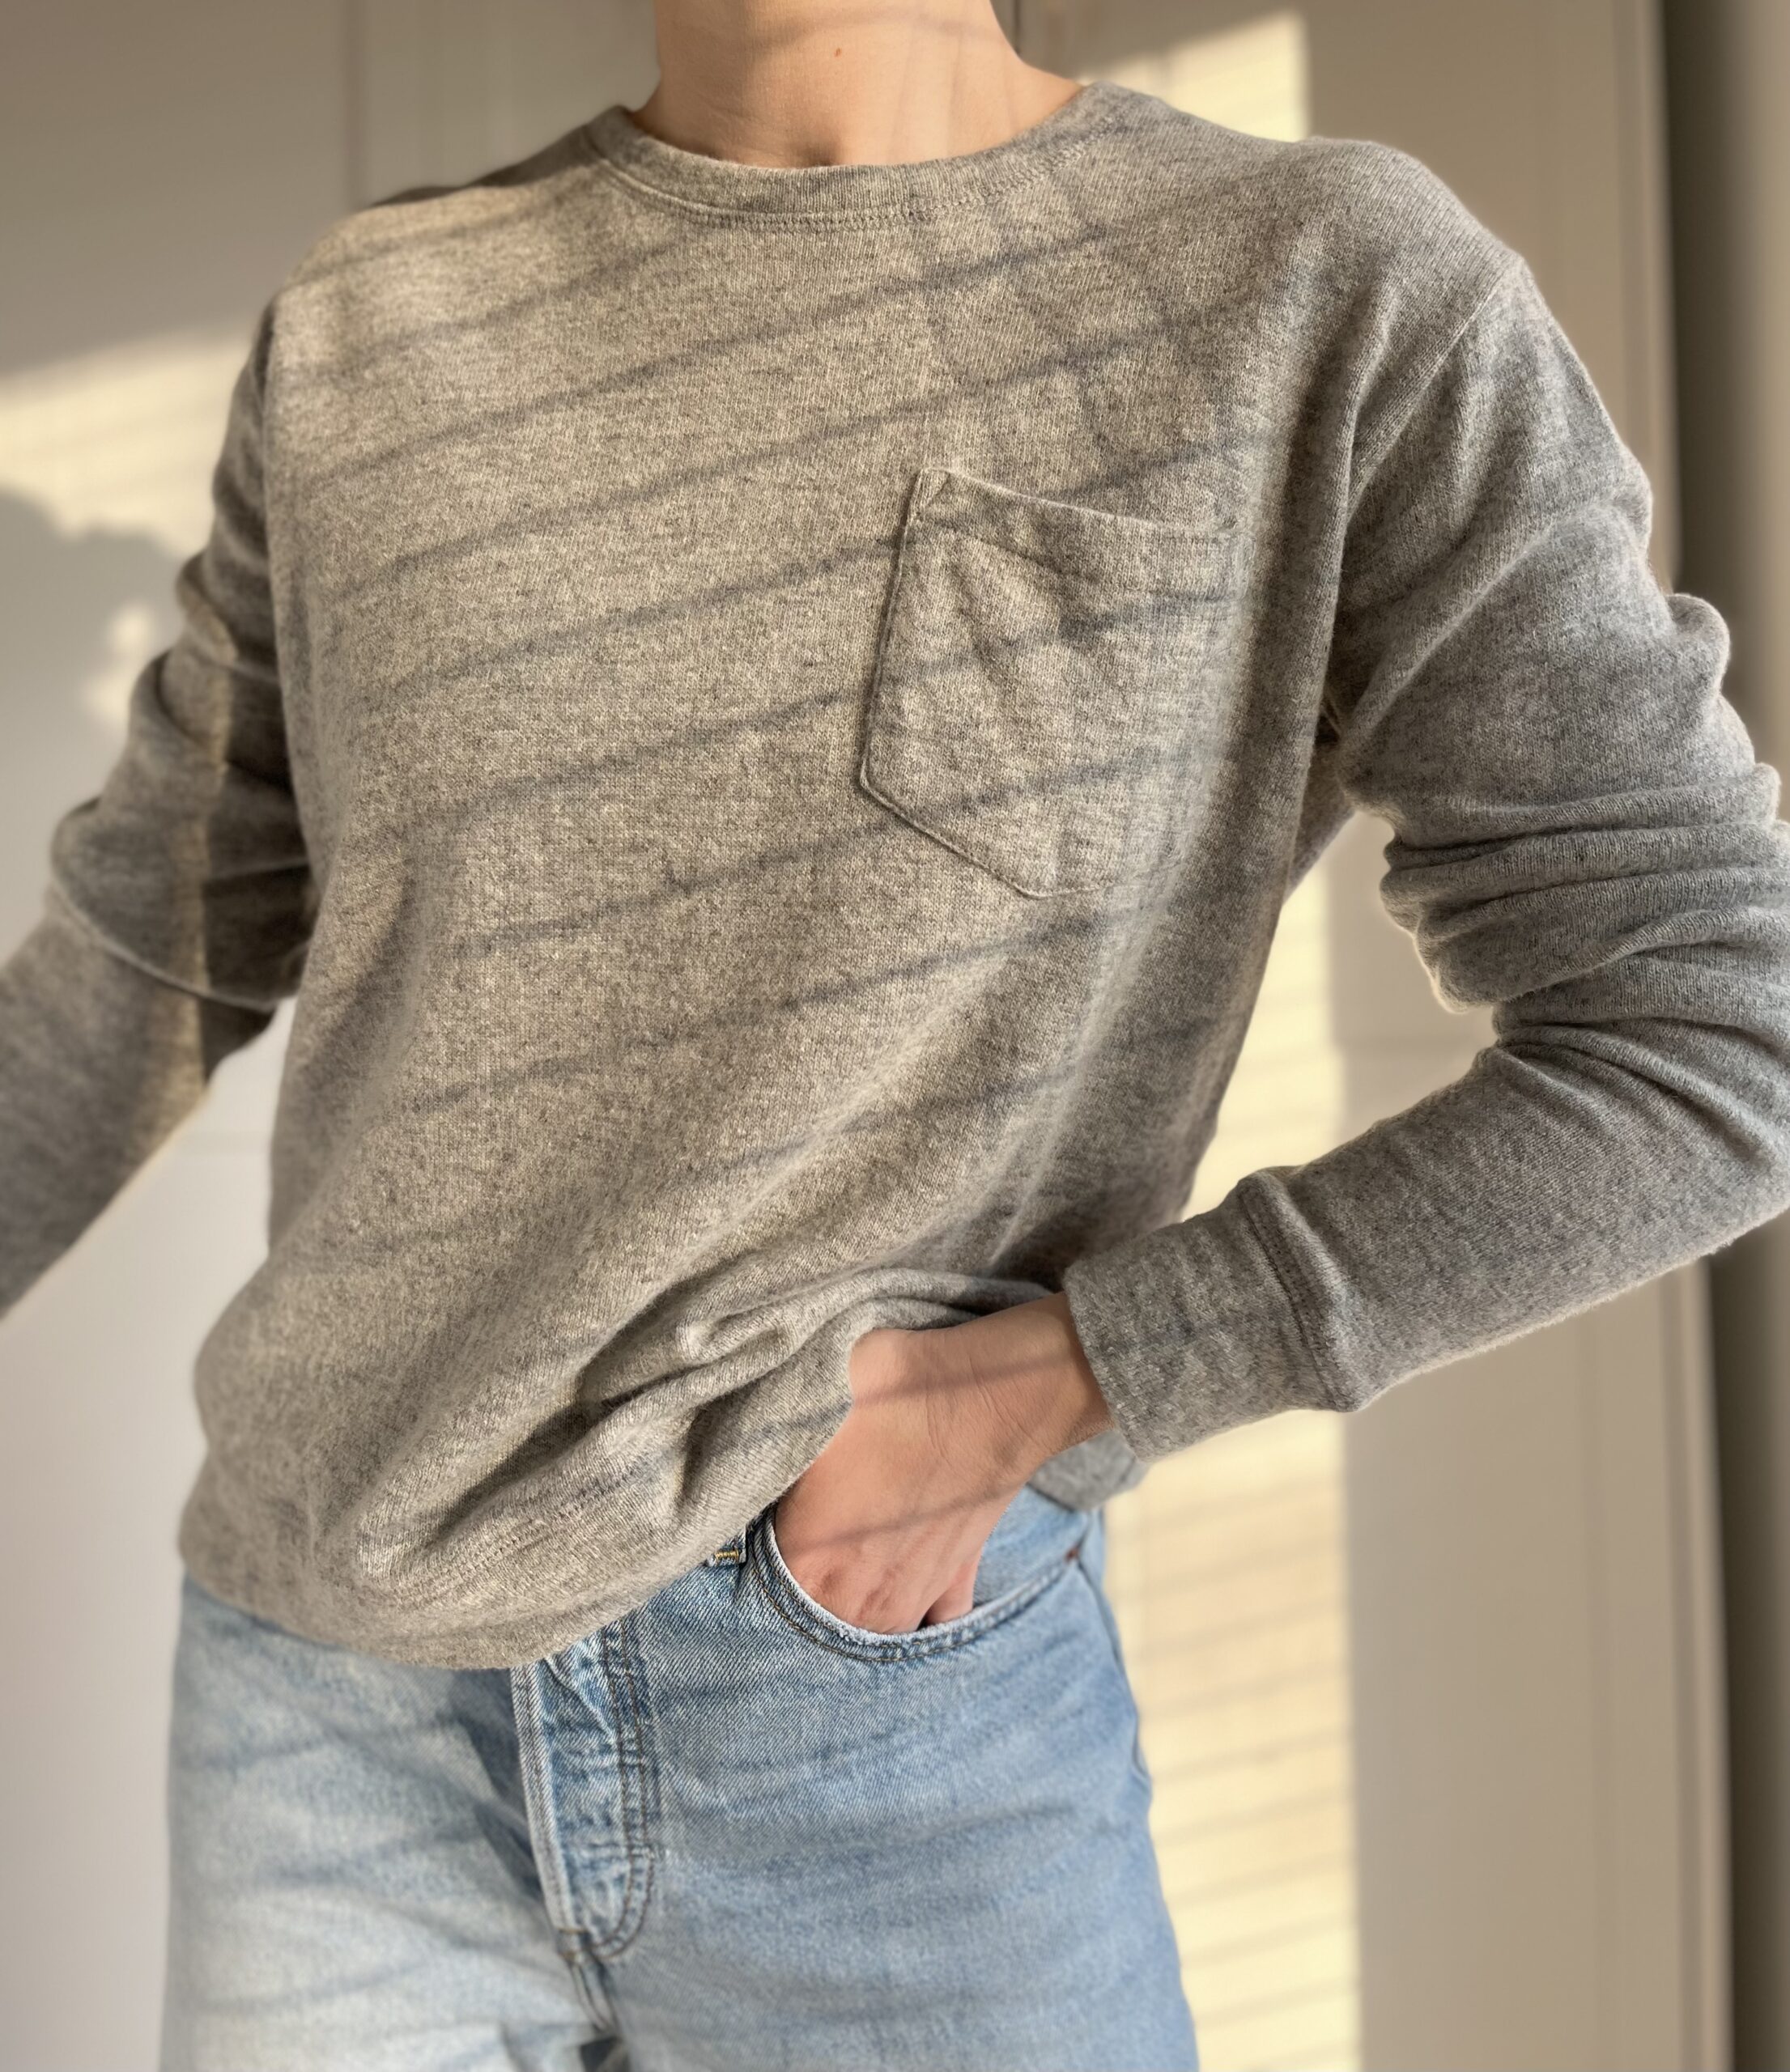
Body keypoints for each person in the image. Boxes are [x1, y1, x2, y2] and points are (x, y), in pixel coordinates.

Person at [5, 0, 1790, 2065]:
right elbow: (151, 946)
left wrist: (1044, 1386)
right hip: (319, 1707)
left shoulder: (1323, 289)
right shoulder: (371, 325)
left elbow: (1709, 1023)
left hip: (879, 1715)